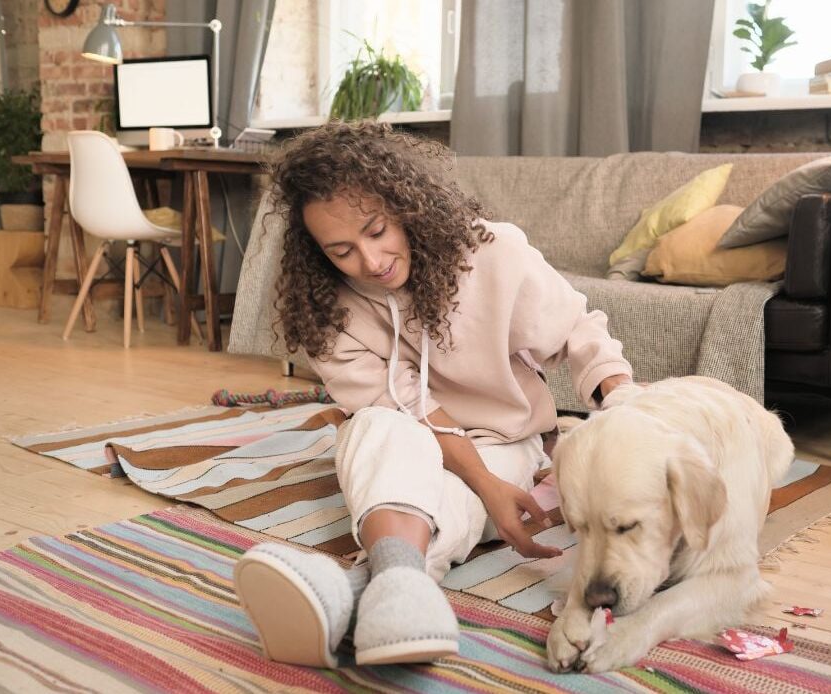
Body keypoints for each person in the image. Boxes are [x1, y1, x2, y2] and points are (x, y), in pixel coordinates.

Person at [233, 120, 633, 668]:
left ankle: (358, 591)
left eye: (377, 231)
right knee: (373, 428)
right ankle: (397, 598)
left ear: (405, 206)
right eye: (342, 250)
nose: (370, 262)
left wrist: (623, 405)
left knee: (453, 501)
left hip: (506, 441)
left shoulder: (493, 254)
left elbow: (577, 332)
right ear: (318, 252)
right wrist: (486, 484)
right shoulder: (326, 312)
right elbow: (404, 407)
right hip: (411, 431)